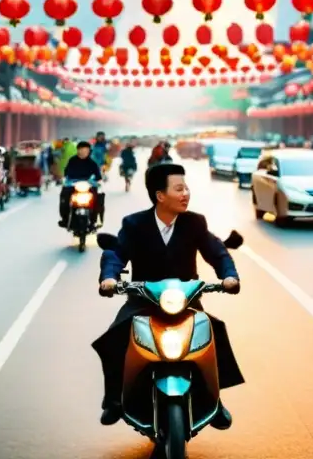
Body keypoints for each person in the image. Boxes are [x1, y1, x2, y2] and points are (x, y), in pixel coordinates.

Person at [94, 163, 242, 429]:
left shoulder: (195, 222)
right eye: (179, 188)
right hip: (144, 300)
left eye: (186, 188)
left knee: (215, 329)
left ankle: (214, 400)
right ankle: (114, 400)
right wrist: (109, 279)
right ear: (160, 195)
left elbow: (216, 251)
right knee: (114, 337)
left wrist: (229, 276)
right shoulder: (135, 223)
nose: (186, 193)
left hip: (185, 300)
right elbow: (116, 254)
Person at [61, 141, 104, 226]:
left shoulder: (92, 163)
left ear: (89, 151)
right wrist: (67, 180)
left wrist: (97, 182)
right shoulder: (72, 161)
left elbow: (98, 176)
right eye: (82, 150)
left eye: (86, 151)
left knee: (99, 198)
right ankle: (65, 219)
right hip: (73, 185)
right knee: (64, 198)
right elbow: (66, 173)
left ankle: (96, 220)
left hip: (88, 185)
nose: (84, 152)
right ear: (78, 150)